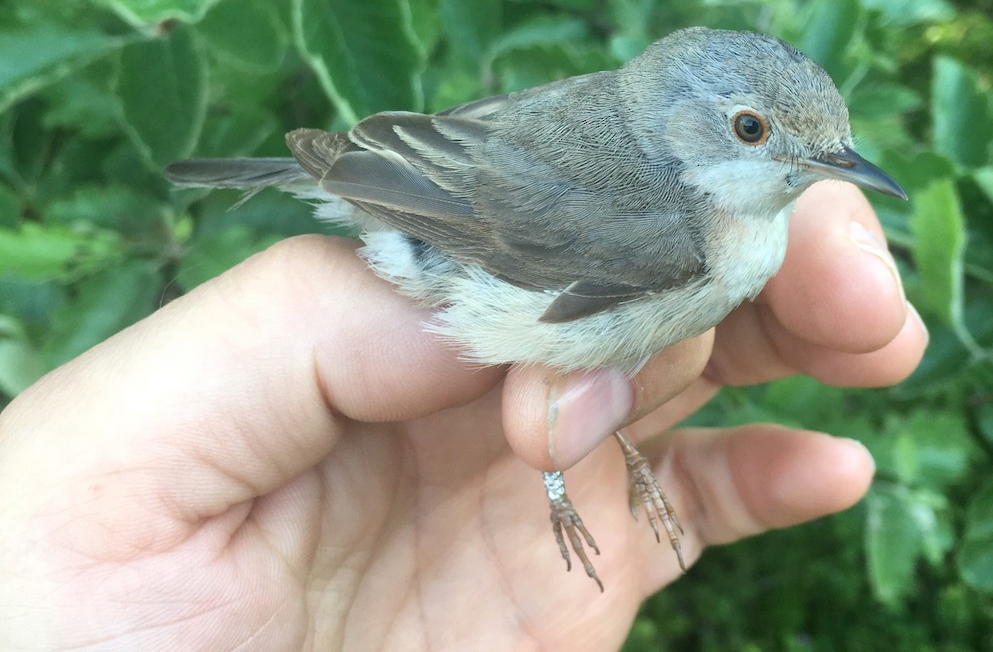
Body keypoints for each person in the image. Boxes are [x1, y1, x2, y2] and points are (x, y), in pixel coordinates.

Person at [0, 182, 926, 650]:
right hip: (445, 250)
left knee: (586, 384)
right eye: (756, 132)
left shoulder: (737, 234)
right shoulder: (673, 230)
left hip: (452, 222)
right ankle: (564, 475)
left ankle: (588, 462)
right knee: (565, 389)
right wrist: (555, 476)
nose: (809, 170)